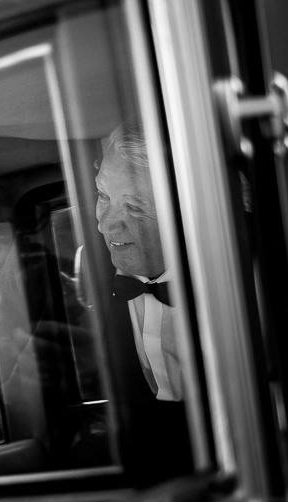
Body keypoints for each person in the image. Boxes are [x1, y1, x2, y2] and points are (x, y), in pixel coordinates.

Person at [94, 124, 191, 483]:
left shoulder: (254, 265)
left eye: (134, 206)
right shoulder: (89, 267)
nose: (105, 226)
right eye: (103, 195)